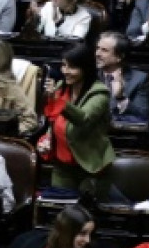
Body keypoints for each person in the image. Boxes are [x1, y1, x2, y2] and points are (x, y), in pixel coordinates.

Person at [38, 43, 115, 194]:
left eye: (72, 67)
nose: (65, 71)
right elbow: (53, 121)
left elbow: (84, 119)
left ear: (86, 68)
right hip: (62, 167)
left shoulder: (100, 93)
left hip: (90, 168)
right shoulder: (61, 87)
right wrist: (47, 139)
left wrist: (59, 101)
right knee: (60, 210)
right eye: (64, 65)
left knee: (82, 213)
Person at [95, 32, 149, 121]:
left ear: (119, 57)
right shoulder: (89, 75)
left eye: (104, 50)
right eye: (97, 48)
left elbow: (143, 115)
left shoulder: (140, 79)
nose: (97, 54)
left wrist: (120, 97)